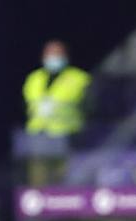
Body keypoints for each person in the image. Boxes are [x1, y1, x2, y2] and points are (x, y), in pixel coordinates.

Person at [22, 40, 91, 185]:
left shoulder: (79, 78)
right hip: (38, 137)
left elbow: (90, 108)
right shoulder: (34, 78)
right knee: (38, 182)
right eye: (50, 53)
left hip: (68, 138)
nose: (53, 57)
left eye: (57, 53)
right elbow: (27, 107)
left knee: (64, 181)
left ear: (65, 56)